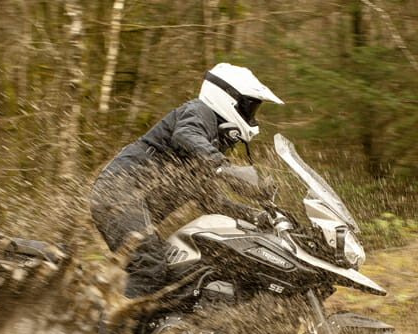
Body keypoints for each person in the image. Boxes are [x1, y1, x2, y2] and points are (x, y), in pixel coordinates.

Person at [90, 63, 283, 298]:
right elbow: (185, 134)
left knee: (174, 273)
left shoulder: (210, 140)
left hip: (127, 198)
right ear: (228, 97)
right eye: (250, 107)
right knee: (149, 267)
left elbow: (210, 201)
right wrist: (223, 166)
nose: (252, 116)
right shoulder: (200, 113)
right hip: (118, 191)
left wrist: (255, 216)